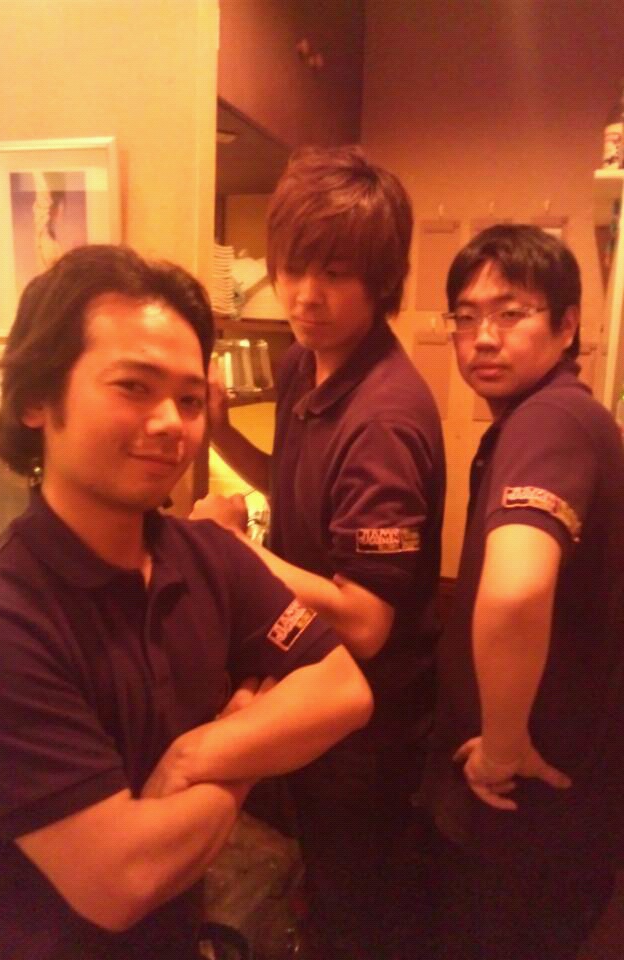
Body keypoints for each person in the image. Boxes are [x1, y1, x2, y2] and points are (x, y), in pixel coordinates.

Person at [0, 244, 374, 960]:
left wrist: (202, 751)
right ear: (37, 399)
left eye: (191, 400)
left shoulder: (205, 555)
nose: (171, 422)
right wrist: (246, 748)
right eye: (134, 387)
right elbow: (121, 880)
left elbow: (344, 688)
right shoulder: (4, 618)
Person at [194, 146, 446, 960]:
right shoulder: (307, 364)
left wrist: (233, 549)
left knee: (352, 904)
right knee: (310, 883)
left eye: (335, 274)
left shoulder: (384, 420)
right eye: (294, 267)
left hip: (369, 720)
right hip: (315, 687)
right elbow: (305, 492)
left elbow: (367, 620)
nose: (305, 294)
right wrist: (222, 433)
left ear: (381, 281)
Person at [422, 224, 624, 960]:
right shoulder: (556, 419)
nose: (483, 336)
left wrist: (501, 748)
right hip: (565, 794)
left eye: (511, 314)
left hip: (522, 802)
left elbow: (514, 593)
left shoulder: (550, 421)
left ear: (567, 326)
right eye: (466, 316)